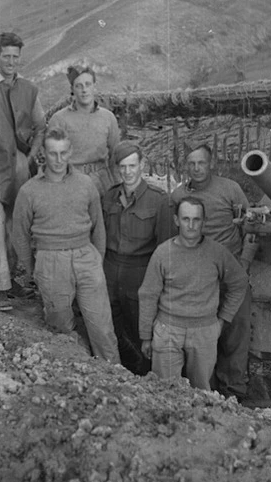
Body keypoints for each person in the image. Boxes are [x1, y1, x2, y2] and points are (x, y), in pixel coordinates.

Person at [12, 127, 120, 363]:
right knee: (60, 327)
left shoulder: (86, 184)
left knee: (101, 326)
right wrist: (35, 270)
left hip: (85, 256)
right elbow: (19, 235)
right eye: (53, 154)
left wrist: (95, 260)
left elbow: (98, 227)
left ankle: (115, 378)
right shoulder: (29, 191)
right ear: (44, 154)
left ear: (70, 152)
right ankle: (75, 376)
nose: (59, 160)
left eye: (63, 153)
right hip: (50, 260)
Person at [170, 144, 257, 401]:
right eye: (191, 164)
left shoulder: (230, 189)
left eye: (202, 163)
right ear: (185, 166)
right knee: (200, 338)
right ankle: (205, 394)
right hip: (198, 279)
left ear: (211, 164)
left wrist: (244, 264)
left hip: (231, 276)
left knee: (235, 336)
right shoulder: (178, 197)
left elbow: (252, 227)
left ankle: (235, 395)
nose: (197, 169)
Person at [138, 195, 248, 390]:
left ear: (203, 222)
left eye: (196, 220)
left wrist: (222, 320)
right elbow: (148, 294)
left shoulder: (217, 253)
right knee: (164, 390)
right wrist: (146, 335)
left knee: (201, 390)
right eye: (186, 219)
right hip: (168, 330)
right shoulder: (163, 253)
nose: (191, 225)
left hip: (204, 332)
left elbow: (239, 283)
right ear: (176, 221)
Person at [0, 32, 46, 308]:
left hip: (19, 174)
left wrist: (30, 158)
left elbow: (41, 126)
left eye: (16, 57)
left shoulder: (29, 89)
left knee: (16, 229)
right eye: (6, 56)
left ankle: (11, 281)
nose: (11, 61)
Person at [102, 141, 174, 375]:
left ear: (142, 165)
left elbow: (165, 248)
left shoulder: (159, 200)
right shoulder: (109, 197)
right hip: (110, 270)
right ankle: (120, 374)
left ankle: (143, 379)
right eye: (122, 166)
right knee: (111, 327)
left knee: (141, 332)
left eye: (132, 165)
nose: (127, 172)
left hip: (141, 273)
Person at [47, 64, 120, 197]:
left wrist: (118, 187)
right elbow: (52, 159)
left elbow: (115, 156)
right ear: (72, 90)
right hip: (71, 183)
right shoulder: (59, 119)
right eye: (79, 86)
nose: (84, 90)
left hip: (102, 183)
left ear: (94, 86)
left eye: (88, 84)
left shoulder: (108, 117)